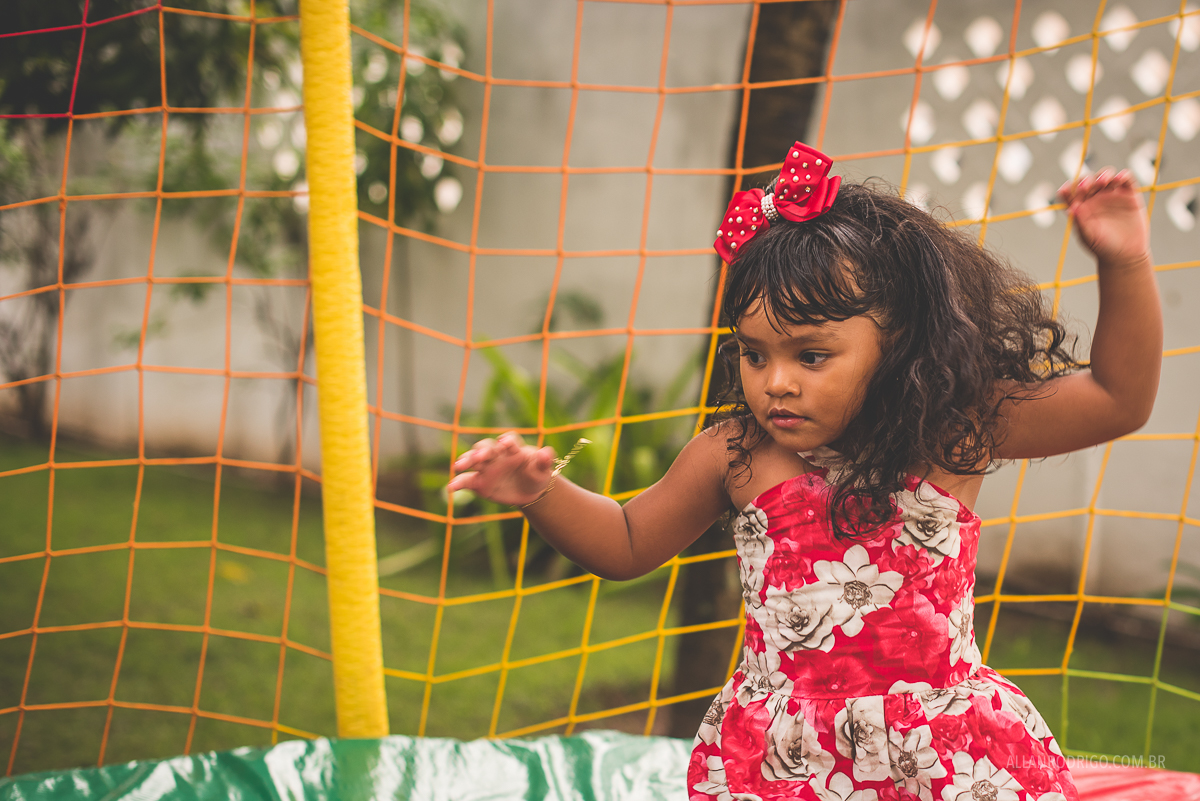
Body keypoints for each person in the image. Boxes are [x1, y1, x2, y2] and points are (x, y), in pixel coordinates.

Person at [448, 141, 1161, 801]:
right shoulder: (737, 453)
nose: (774, 382)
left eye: (810, 356)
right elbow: (628, 540)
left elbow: (1116, 399)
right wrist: (540, 491)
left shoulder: (950, 431)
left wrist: (1123, 262)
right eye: (754, 353)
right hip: (788, 761)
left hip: (940, 758)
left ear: (898, 341)